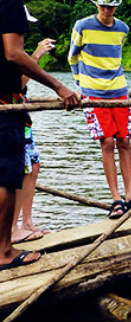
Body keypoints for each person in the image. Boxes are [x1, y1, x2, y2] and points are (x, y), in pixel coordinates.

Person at [0, 0, 80, 271]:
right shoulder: (10, 2)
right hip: (5, 104)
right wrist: (59, 87)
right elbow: (14, 54)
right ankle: (4, 252)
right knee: (6, 178)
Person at [68, 0, 131, 218]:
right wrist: (80, 84)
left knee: (124, 140)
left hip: (119, 90)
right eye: (103, 6)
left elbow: (116, 56)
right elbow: (73, 56)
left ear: (117, 6)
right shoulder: (83, 26)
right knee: (106, 142)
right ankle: (115, 198)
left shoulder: (122, 29)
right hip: (93, 92)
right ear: (97, 4)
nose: (107, 10)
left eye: (111, 6)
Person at [12, 37, 55, 243]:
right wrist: (36, 56)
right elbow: (16, 84)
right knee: (20, 170)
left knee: (33, 166)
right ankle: (12, 228)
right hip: (10, 119)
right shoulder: (9, 53)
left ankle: (27, 222)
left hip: (22, 118)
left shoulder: (16, 51)